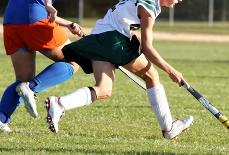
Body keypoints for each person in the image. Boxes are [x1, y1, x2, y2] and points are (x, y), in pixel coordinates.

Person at [43, 0, 194, 140]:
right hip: (113, 41)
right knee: (152, 76)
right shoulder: (149, 7)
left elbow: (126, 21)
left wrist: (133, 37)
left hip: (98, 39)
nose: (179, 0)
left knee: (103, 90)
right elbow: (148, 49)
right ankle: (168, 128)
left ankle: (60, 103)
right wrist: (171, 71)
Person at [0, 0, 84, 132]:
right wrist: (49, 5)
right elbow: (41, 6)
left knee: (22, 80)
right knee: (74, 61)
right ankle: (30, 88)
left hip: (11, 21)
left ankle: (1, 119)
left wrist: (67, 23)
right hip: (35, 18)